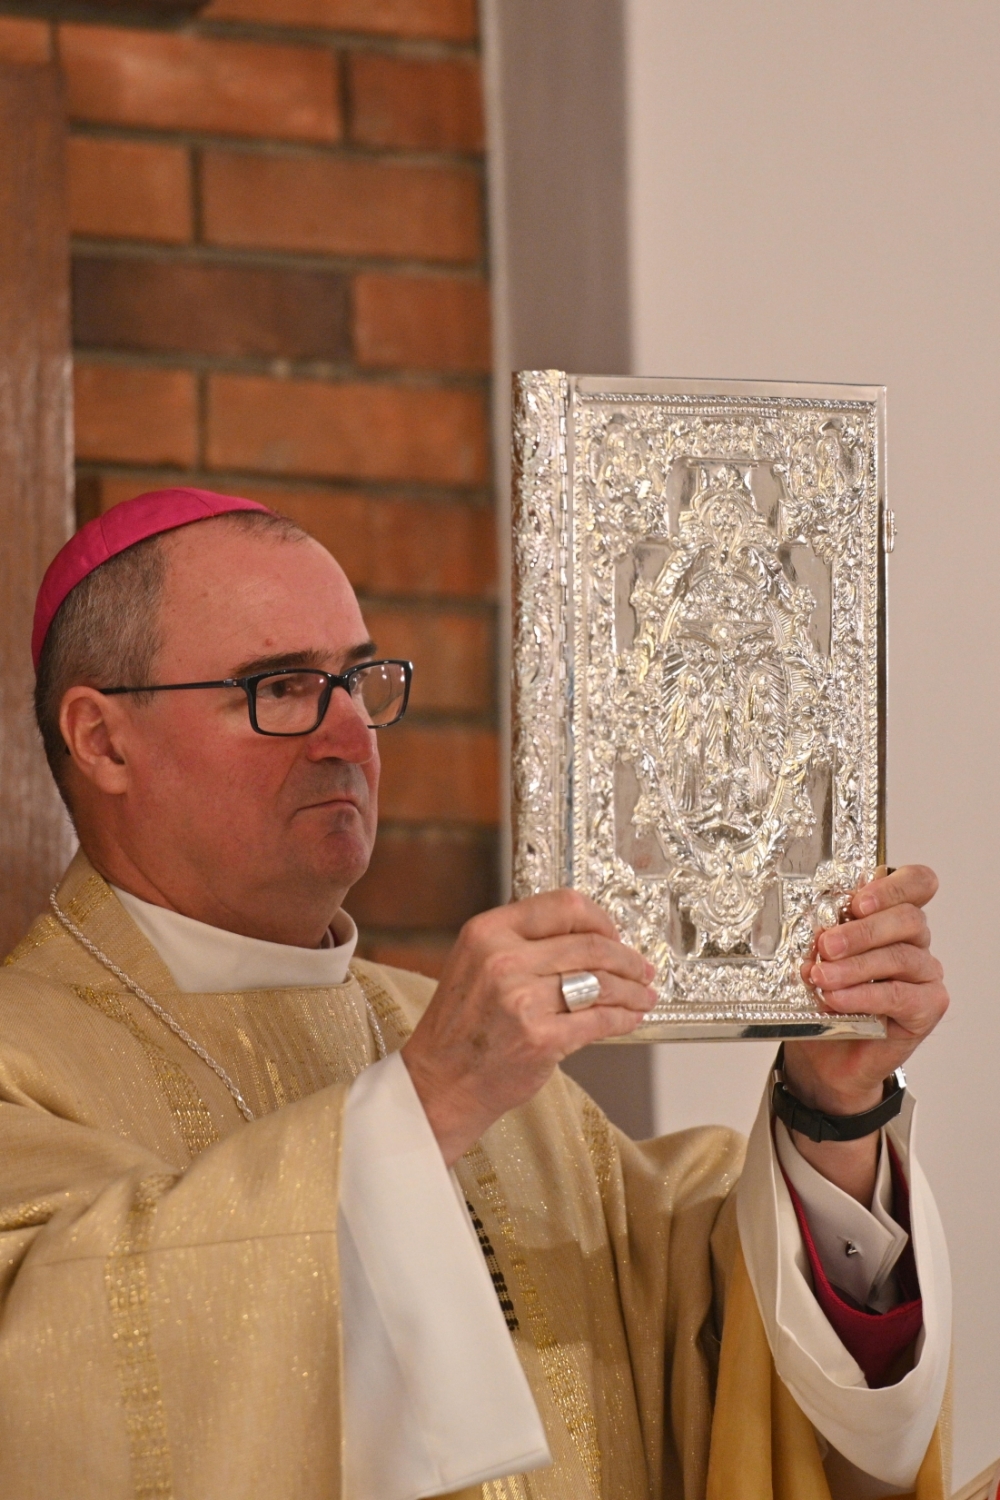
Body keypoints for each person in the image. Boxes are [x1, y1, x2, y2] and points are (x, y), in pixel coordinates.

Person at [0, 487, 951, 1500]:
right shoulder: (26, 1064)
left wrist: (833, 1108)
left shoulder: (437, 1033)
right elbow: (55, 1379)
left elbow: (698, 1361)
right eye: (281, 688)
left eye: (358, 680)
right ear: (103, 740)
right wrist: (425, 1106)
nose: (349, 736)